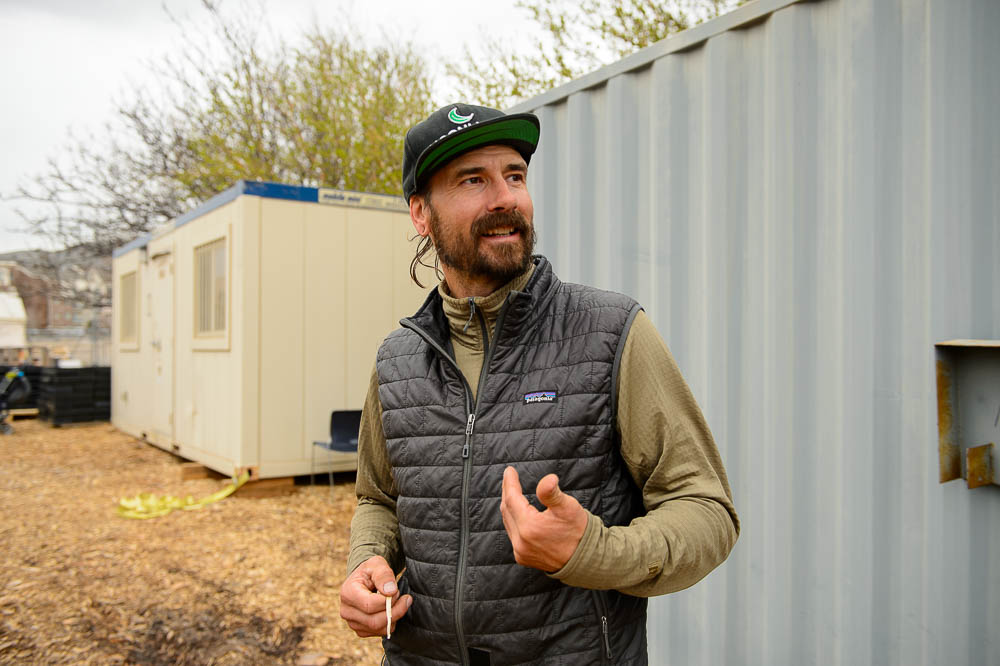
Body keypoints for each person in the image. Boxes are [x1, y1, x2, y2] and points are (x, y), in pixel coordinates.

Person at [339, 103, 739, 665]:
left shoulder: (611, 333)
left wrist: (593, 551)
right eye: (473, 179)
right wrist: (367, 562)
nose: (505, 197)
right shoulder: (398, 360)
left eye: (515, 176)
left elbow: (706, 511)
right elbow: (377, 498)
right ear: (420, 214)